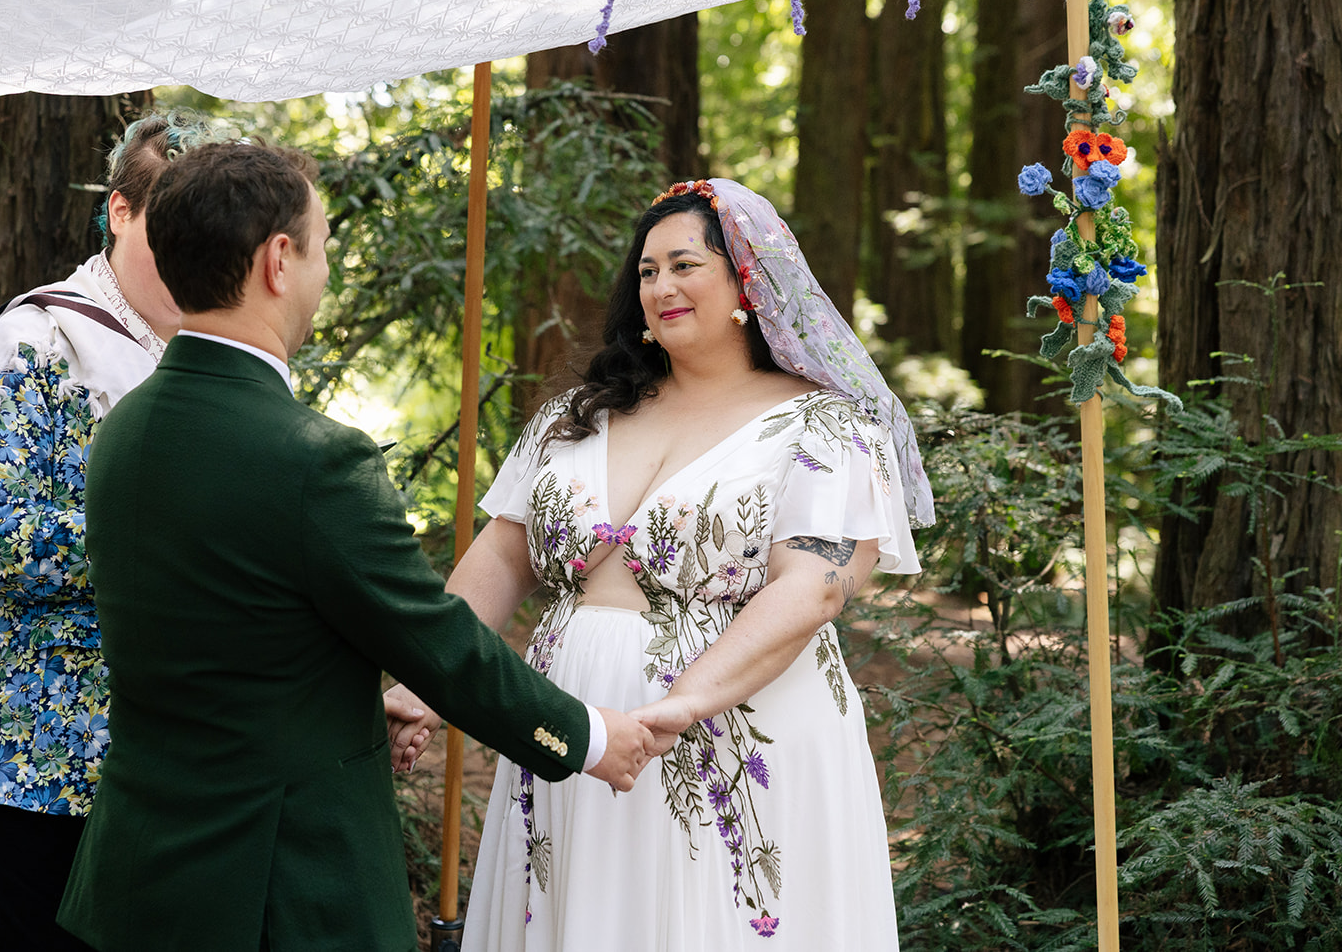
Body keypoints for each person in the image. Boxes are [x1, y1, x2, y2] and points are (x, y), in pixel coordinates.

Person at [55, 141, 655, 952]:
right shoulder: (312, 457)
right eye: (323, 248)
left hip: (137, 883)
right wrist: (585, 736)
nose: (325, 274)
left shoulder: (123, 428)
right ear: (278, 261)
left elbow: (224, 643)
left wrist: (343, 702)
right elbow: (443, 647)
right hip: (279, 892)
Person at [387, 178, 935, 951]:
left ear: (748, 278)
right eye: (646, 272)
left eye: (685, 264)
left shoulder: (823, 425)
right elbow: (503, 554)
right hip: (569, 730)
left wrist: (679, 704)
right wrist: (428, 678)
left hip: (727, 732)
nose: (661, 287)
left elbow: (813, 587)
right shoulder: (575, 417)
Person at [0, 110, 224, 952]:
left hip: (167, 759)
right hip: (29, 760)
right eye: (171, 218)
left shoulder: (218, 357)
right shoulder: (37, 338)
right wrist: (157, 549)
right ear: (120, 211)